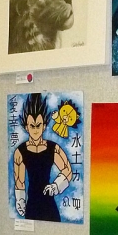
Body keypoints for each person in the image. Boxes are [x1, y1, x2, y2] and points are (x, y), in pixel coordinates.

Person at [13, 92, 72, 222]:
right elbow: (19, 181)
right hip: (31, 204)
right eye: (32, 126)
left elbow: (67, 171)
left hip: (49, 203)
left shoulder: (53, 148)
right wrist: (20, 199)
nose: (35, 129)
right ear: (26, 127)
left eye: (38, 125)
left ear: (44, 126)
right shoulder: (20, 151)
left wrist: (56, 186)